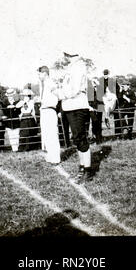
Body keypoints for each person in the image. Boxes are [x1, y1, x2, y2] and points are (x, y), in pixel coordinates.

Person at [57, 52, 93, 182]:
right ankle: (82, 167)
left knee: (80, 138)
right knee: (77, 139)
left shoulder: (78, 67)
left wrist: (59, 94)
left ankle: (87, 171)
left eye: (67, 55)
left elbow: (74, 89)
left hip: (77, 105)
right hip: (70, 106)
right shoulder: (71, 67)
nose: (65, 57)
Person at [38, 65, 61, 164]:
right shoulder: (43, 84)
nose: (38, 76)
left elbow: (57, 95)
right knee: (47, 134)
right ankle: (51, 156)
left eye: (39, 74)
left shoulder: (51, 82)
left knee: (52, 134)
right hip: (44, 110)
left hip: (50, 109)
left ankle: (55, 158)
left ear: (44, 73)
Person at [87, 77, 102, 144]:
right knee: (94, 122)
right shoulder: (90, 90)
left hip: (99, 108)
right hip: (92, 109)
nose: (94, 84)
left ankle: (99, 138)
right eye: (93, 83)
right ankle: (94, 137)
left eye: (95, 83)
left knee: (99, 123)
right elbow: (89, 100)